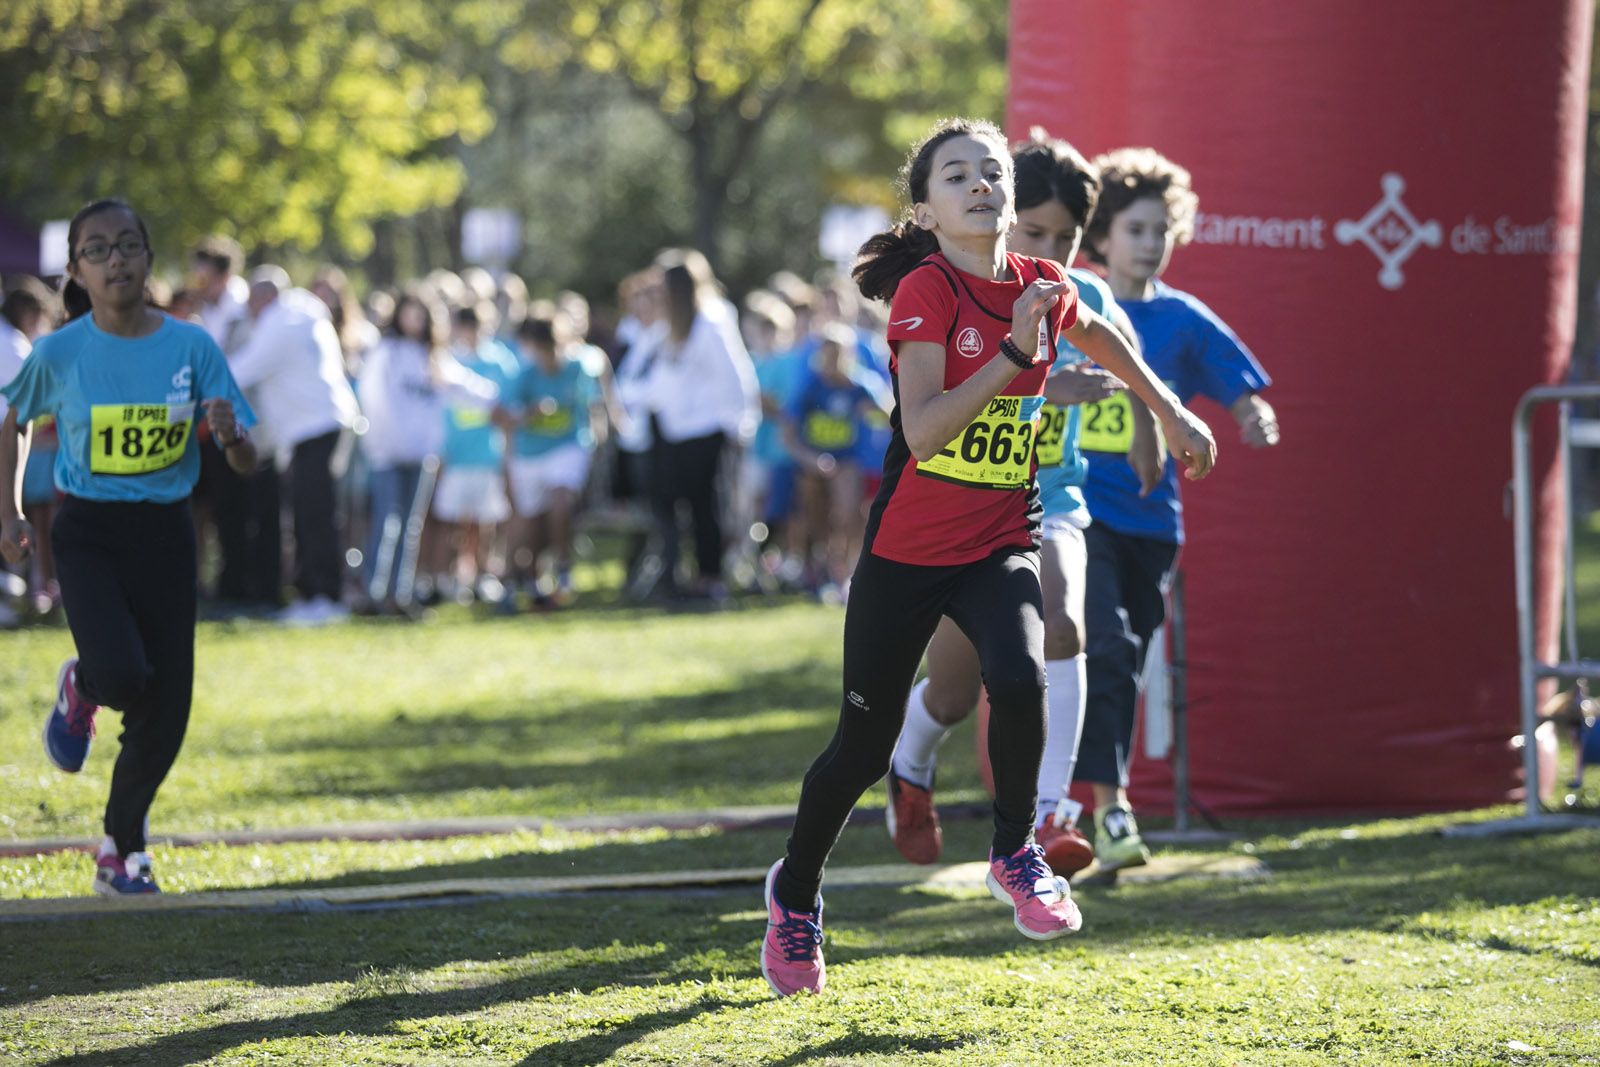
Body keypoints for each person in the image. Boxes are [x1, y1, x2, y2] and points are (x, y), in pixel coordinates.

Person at [760, 119, 1217, 997]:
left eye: (993, 172)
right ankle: (796, 891)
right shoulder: (928, 293)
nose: (981, 185)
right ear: (927, 208)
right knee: (861, 748)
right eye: (957, 175)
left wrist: (1168, 411)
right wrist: (1013, 350)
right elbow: (927, 433)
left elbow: (1107, 342)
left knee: (1024, 669)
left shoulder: (1045, 283)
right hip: (907, 550)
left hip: (1001, 535)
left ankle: (1015, 851)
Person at [884, 131, 1200, 878]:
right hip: (960, 505)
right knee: (956, 690)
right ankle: (910, 764)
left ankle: (1056, 810)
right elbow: (935, 401)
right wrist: (1044, 381)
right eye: (1037, 232)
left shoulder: (1079, 294)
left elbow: (1124, 361)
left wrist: (1160, 422)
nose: (1051, 246)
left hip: (1049, 496)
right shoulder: (947, 286)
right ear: (1001, 213)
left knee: (1065, 616)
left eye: (1067, 236)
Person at [0, 199, 258, 894]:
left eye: (128, 246)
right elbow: (14, 420)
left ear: (148, 256)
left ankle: (122, 844)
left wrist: (231, 435)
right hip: (90, 532)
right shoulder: (61, 351)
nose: (116, 260)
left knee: (166, 708)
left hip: (167, 534)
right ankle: (80, 685)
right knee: (118, 672)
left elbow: (247, 459)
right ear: (77, 270)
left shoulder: (192, 346)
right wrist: (12, 508)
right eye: (98, 250)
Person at [1074, 146, 1279, 871]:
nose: (1150, 241)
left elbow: (1237, 379)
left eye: (1161, 228)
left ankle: (1088, 807)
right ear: (1100, 237)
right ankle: (1107, 807)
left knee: (1122, 656)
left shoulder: (1186, 320)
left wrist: (1252, 413)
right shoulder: (1076, 302)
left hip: (1151, 523)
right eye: (1135, 228)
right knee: (1099, 645)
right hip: (1075, 512)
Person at [357, 287, 496, 614]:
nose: (414, 320)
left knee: (410, 526)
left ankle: (400, 594)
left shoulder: (433, 357)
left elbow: (467, 388)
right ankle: (374, 593)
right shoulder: (386, 353)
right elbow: (375, 403)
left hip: (421, 457)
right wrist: (385, 444)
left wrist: (499, 402)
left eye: (421, 314)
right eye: (409, 312)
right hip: (388, 455)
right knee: (385, 523)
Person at [643, 251, 758, 601]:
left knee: (706, 507)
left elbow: (734, 374)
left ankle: (711, 577)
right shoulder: (664, 328)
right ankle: (676, 572)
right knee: (672, 506)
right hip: (671, 429)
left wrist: (742, 422)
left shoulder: (711, 323)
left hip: (706, 430)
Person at [781, 321, 890, 599]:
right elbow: (789, 433)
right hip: (812, 460)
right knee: (812, 513)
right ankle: (819, 567)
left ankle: (847, 571)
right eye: (828, 355)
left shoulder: (859, 386)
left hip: (848, 460)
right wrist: (810, 459)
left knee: (847, 513)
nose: (833, 362)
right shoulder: (810, 387)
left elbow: (889, 416)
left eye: (839, 355)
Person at [502, 311, 603, 606]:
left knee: (561, 505)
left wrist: (597, 444)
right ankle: (528, 578)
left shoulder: (580, 368)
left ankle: (563, 568)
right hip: (530, 454)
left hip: (568, 447)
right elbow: (504, 417)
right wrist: (529, 414)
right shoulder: (523, 375)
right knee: (530, 522)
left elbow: (593, 406)